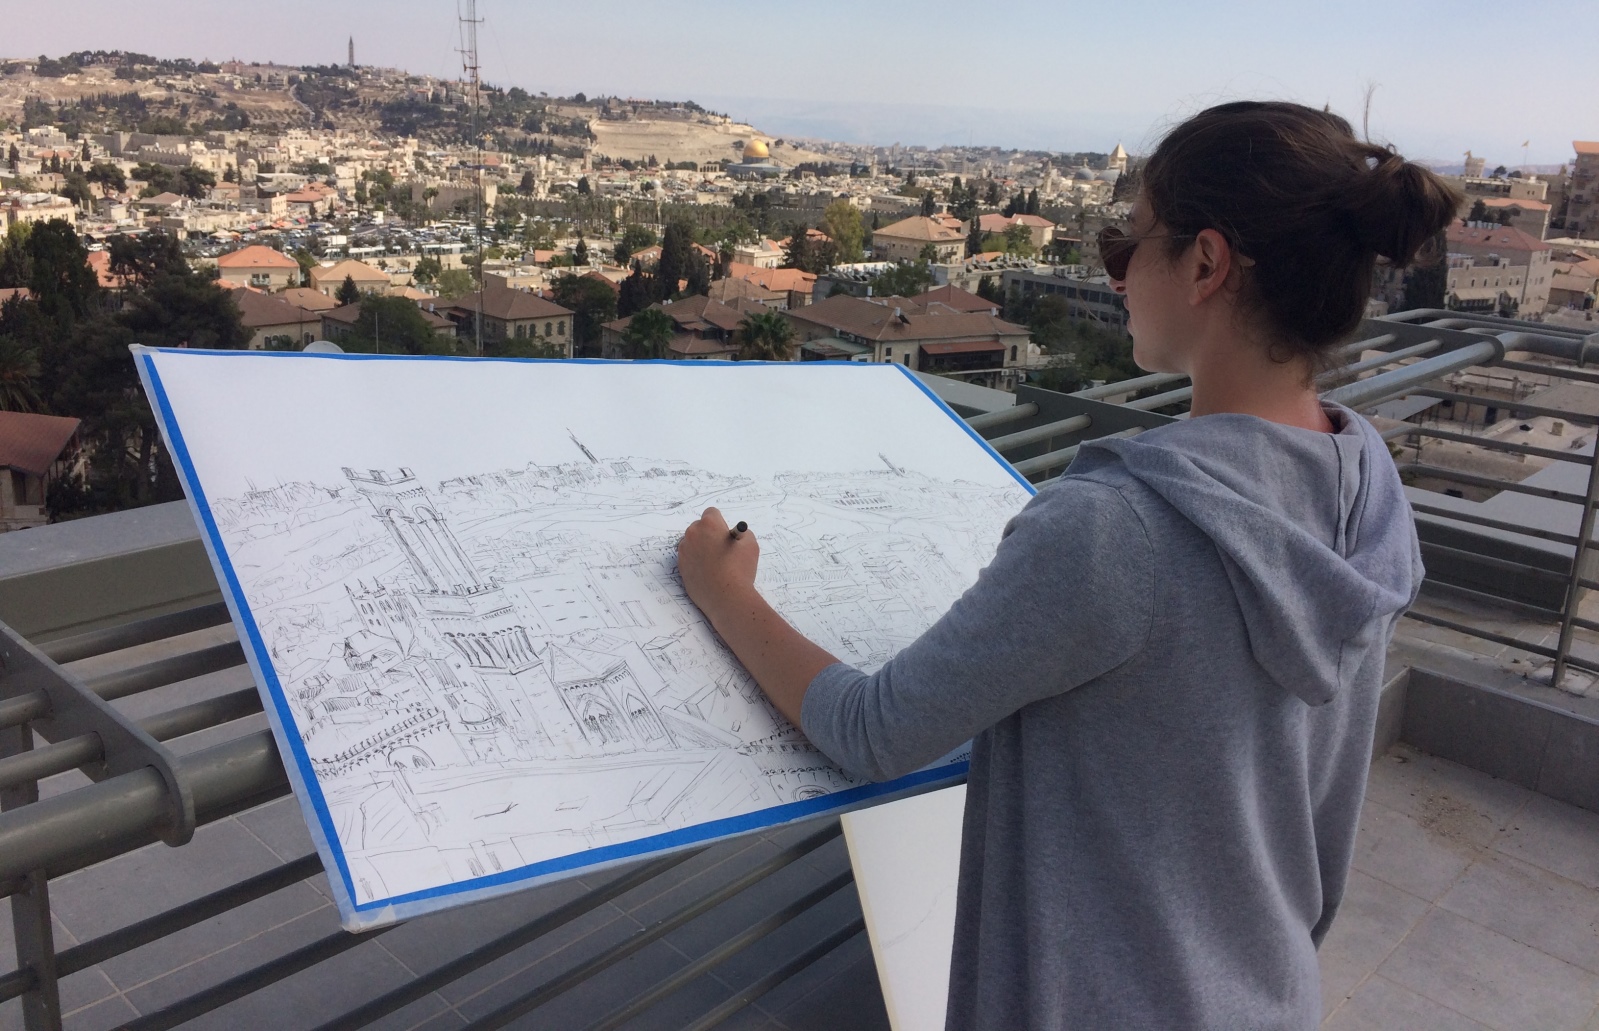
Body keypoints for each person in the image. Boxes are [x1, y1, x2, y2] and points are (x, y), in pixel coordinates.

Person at [677, 101, 1461, 1030]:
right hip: (1265, 991)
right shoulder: (1365, 485)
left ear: (1205, 264)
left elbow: (874, 728)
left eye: (1125, 248)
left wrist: (723, 591)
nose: (1118, 276)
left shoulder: (1116, 529)